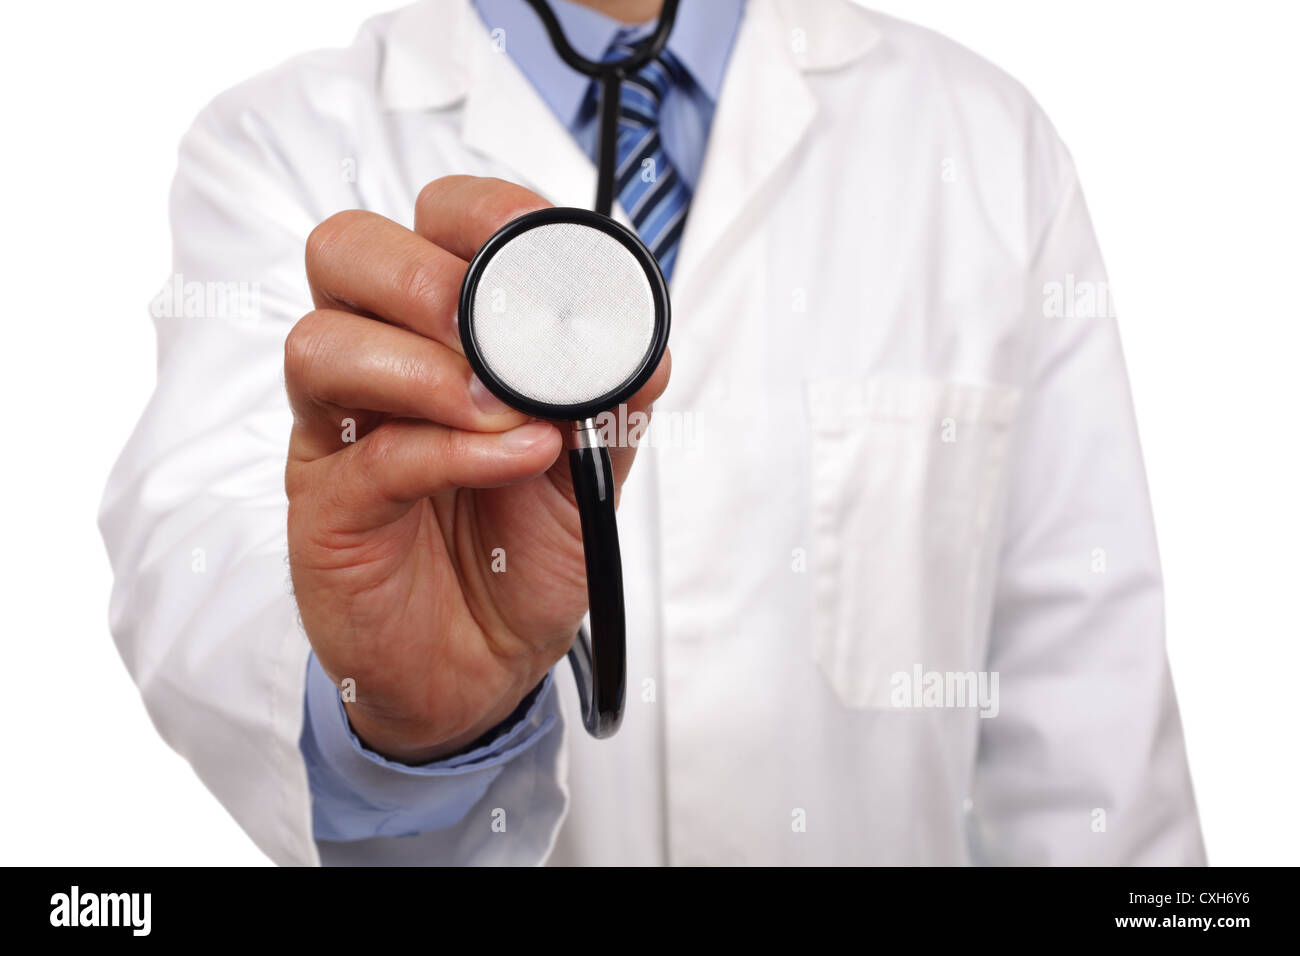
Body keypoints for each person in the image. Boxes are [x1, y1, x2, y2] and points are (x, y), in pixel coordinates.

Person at [99, 0, 1206, 865]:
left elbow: (1089, 736)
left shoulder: (987, 145)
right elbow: (194, 556)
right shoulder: (278, 144)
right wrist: (398, 726)